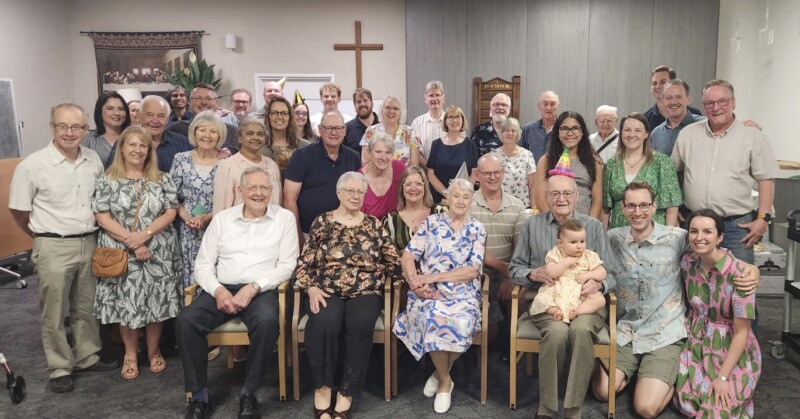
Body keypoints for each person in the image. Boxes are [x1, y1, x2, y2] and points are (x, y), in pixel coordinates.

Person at [9, 103, 117, 393]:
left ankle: (87, 355)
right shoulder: (32, 165)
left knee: (86, 305)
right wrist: (40, 235)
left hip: (90, 241)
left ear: (85, 129)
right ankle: (59, 367)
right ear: (52, 127)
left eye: (76, 127)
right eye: (63, 126)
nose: (70, 133)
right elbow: (19, 210)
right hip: (53, 243)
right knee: (54, 310)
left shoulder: (92, 159)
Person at [178, 167, 299, 419]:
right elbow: (203, 264)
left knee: (267, 322)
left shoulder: (284, 218)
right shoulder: (222, 219)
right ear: (240, 190)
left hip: (262, 289)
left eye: (264, 188)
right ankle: (199, 397)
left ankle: (249, 393)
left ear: (271, 191)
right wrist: (218, 290)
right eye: (252, 188)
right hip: (221, 288)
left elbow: (288, 265)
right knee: (186, 321)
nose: (258, 193)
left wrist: (254, 287)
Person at [510, 174, 618, 419]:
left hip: (584, 302)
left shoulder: (593, 226)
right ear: (546, 197)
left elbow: (611, 272)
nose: (561, 199)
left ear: (577, 196)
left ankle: (573, 409)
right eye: (555, 194)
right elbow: (515, 269)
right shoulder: (531, 225)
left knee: (580, 331)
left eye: (567, 193)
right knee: (557, 332)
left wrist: (598, 286)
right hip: (550, 301)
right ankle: (547, 407)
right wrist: (533, 274)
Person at [296, 172, 401, 419]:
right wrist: (310, 287)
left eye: (360, 192)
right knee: (324, 323)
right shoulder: (322, 222)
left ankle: (346, 392)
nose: (355, 196)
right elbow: (304, 263)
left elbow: (392, 262)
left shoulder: (374, 224)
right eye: (350, 191)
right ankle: (322, 388)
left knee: (360, 325)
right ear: (339, 193)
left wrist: (415, 280)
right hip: (326, 289)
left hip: (365, 290)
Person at [93, 125, 182, 380]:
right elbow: (102, 216)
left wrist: (144, 236)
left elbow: (170, 211)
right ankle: (130, 354)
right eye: (132, 144)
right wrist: (133, 241)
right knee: (127, 303)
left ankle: (154, 351)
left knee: (156, 302)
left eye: (143, 145)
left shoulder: (161, 178)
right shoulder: (107, 179)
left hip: (157, 249)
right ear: (122, 148)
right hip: (120, 250)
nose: (138, 150)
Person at [393, 178, 487, 414]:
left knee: (463, 322)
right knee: (432, 317)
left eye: (466, 197)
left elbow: (472, 270)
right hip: (428, 293)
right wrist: (415, 283)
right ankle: (446, 382)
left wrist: (431, 278)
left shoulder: (477, 229)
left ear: (471, 201)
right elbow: (408, 256)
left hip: (463, 292)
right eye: (456, 196)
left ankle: (439, 374)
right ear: (446, 198)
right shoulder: (431, 223)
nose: (461, 201)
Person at [671, 79, 780, 264]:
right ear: (703, 106)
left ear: (733, 103)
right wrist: (674, 208)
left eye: (722, 101)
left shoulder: (752, 136)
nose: (716, 108)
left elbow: (766, 179)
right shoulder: (688, 134)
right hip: (695, 224)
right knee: (693, 283)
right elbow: (673, 173)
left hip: (736, 227)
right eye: (710, 103)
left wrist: (763, 219)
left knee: (739, 283)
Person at [674, 209, 761, 417]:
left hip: (730, 343)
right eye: (693, 232)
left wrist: (722, 377)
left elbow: (742, 333)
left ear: (720, 237)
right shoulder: (687, 262)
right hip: (695, 340)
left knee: (719, 406)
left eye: (707, 232)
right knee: (690, 404)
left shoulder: (740, 275)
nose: (699, 237)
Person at [469, 154, 527, 353]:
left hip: (508, 271)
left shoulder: (517, 206)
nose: (492, 177)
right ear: (477, 175)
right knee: (490, 333)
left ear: (503, 174)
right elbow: (468, 251)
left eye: (496, 173)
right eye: (487, 173)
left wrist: (511, 277)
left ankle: (512, 350)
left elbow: (521, 250)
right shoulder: (467, 205)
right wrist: (504, 269)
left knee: (522, 292)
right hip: (475, 273)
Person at [284, 111, 361, 241]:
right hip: (308, 234)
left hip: (345, 234)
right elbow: (289, 198)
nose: (334, 132)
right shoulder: (302, 156)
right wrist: (297, 237)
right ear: (320, 129)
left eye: (338, 128)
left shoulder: (353, 157)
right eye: (328, 128)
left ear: (344, 130)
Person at [169, 110, 224, 288]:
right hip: (187, 231)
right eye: (202, 130)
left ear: (219, 136)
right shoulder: (180, 159)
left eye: (213, 131)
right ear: (194, 132)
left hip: (216, 229)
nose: (207, 135)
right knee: (188, 277)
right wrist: (188, 219)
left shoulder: (226, 162)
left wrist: (206, 217)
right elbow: (172, 196)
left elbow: (229, 201)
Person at [601, 112, 682, 229]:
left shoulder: (662, 162)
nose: (632, 134)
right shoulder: (611, 165)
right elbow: (605, 208)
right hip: (619, 234)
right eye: (627, 130)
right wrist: (603, 239)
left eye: (638, 130)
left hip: (654, 233)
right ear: (621, 133)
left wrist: (668, 237)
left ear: (646, 134)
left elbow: (672, 206)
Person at [529, 219, 606, 322]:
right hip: (558, 290)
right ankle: (556, 310)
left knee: (600, 300)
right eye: (573, 242)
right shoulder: (556, 253)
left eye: (582, 241)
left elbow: (602, 273)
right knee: (541, 299)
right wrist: (565, 263)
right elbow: (551, 272)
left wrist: (588, 275)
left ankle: (577, 311)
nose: (579, 246)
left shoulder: (589, 256)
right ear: (560, 243)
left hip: (580, 293)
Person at [532, 111, 603, 218]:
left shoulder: (593, 161)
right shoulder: (545, 161)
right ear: (557, 132)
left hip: (583, 226)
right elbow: (540, 198)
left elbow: (598, 200)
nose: (570, 133)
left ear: (582, 132)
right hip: (552, 225)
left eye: (575, 128)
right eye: (564, 129)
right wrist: (556, 223)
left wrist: (588, 225)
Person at [105, 95, 193, 173]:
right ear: (140, 116)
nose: (155, 121)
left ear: (167, 119)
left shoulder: (183, 143)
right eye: (150, 115)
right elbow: (110, 174)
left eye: (161, 116)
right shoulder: (124, 141)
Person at [213, 117, 282, 214]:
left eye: (260, 134)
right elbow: (220, 208)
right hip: (239, 226)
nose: (255, 137)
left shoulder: (271, 165)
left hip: (270, 225)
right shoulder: (228, 166)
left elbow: (278, 202)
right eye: (250, 133)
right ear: (239, 138)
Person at [166, 83, 240, 154]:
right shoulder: (175, 130)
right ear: (190, 102)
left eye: (209, 98)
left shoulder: (232, 132)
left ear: (217, 102)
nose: (204, 102)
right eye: (198, 98)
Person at [426, 105, 479, 204]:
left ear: (462, 120)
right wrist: (447, 193)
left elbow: (474, 173)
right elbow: (430, 174)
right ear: (445, 121)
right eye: (451, 117)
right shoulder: (436, 144)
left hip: (463, 199)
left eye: (458, 117)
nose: (455, 120)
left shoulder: (470, 144)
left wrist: (462, 193)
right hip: (440, 199)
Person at [650, 79, 705, 156]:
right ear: (662, 102)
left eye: (678, 97)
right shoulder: (656, 134)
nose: (673, 102)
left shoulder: (704, 125)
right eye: (669, 98)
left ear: (688, 100)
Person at [384, 166, 434, 250]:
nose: (413, 188)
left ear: (425, 187)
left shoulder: (440, 212)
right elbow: (387, 255)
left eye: (418, 184)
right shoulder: (390, 220)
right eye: (408, 184)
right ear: (402, 188)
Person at [360, 94, 418, 167]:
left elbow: (414, 166)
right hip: (376, 177)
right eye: (388, 107)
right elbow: (365, 162)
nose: (392, 111)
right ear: (382, 110)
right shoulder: (370, 131)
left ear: (400, 112)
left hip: (404, 177)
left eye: (396, 108)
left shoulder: (410, 132)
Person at [490, 117, 536, 207]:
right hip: (499, 207)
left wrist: (534, 208)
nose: (510, 133)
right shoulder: (493, 156)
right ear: (501, 133)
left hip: (523, 207)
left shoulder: (527, 155)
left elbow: (533, 186)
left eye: (513, 131)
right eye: (506, 130)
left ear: (518, 134)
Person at [260, 96, 310, 177]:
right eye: (274, 113)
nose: (279, 117)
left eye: (284, 113)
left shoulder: (305, 146)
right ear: (268, 116)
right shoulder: (260, 147)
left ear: (290, 116)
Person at [359, 133, 406, 219]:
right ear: (369, 153)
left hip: (398, 224)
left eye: (388, 152)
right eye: (378, 152)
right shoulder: (359, 179)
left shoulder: (400, 168)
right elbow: (358, 217)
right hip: (370, 228)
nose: (383, 157)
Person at [643, 66, 703, 130]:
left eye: (663, 82)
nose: (657, 86)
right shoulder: (646, 119)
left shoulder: (694, 113)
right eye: (654, 83)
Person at [82, 91, 131, 163]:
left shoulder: (134, 137)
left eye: (121, 109)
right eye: (110, 108)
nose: (117, 113)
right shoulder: (88, 139)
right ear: (100, 111)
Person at [410, 81, 446, 166]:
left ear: (443, 98)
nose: (434, 99)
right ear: (426, 99)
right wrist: (429, 167)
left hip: (449, 172)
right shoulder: (416, 123)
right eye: (431, 95)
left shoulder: (453, 122)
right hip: (424, 172)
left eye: (437, 95)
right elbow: (414, 151)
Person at [520, 91, 559, 163]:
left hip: (558, 173)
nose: (549, 108)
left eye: (552, 104)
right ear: (539, 106)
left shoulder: (563, 129)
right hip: (533, 173)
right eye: (545, 104)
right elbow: (520, 154)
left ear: (558, 106)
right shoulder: (528, 129)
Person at [344, 87, 379, 152]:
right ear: (354, 106)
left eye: (365, 100)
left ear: (372, 103)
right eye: (358, 102)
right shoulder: (346, 128)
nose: (362, 104)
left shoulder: (383, 125)